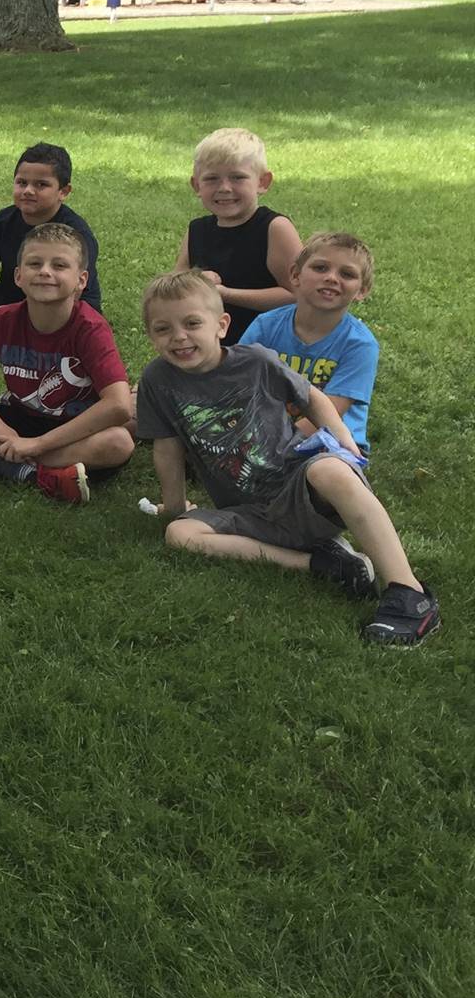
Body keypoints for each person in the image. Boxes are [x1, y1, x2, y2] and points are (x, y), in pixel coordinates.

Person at [138, 272, 437, 647]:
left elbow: (312, 397)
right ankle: (326, 564)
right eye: (162, 328)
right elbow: (167, 448)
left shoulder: (256, 361)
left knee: (332, 470)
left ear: (221, 325)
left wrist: (347, 449)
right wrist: (175, 507)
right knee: (180, 534)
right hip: (249, 513)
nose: (178, 336)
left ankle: (409, 593)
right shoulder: (156, 380)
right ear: (150, 335)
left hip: (298, 485)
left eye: (192, 323)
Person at [0, 223, 134, 504]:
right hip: (15, 421)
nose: (45, 271)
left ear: (81, 280)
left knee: (119, 442)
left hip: (72, 431)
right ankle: (35, 474)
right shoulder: (2, 320)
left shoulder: (90, 328)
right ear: (18, 276)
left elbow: (119, 405)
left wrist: (38, 444)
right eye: (34, 263)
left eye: (59, 265)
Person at [238, 232, 380, 454]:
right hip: (265, 433)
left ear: (361, 291)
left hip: (331, 440)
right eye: (321, 268)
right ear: (295, 275)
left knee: (324, 472)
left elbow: (329, 413)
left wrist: (276, 447)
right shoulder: (266, 326)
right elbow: (239, 383)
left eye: (347, 274)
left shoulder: (360, 344)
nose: (332, 278)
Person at [0, 142, 101, 333]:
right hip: (13, 296)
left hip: (62, 302)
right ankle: (5, 334)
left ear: (63, 192)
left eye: (41, 185)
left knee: (76, 327)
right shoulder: (4, 221)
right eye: (22, 183)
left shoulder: (75, 232)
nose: (28, 190)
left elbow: (74, 291)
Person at [174, 126, 301, 343]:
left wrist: (225, 293)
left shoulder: (275, 228)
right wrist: (195, 280)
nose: (224, 188)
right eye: (211, 179)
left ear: (263, 182)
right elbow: (174, 286)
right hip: (209, 347)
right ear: (196, 185)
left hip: (268, 346)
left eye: (237, 177)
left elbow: (299, 295)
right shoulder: (197, 230)